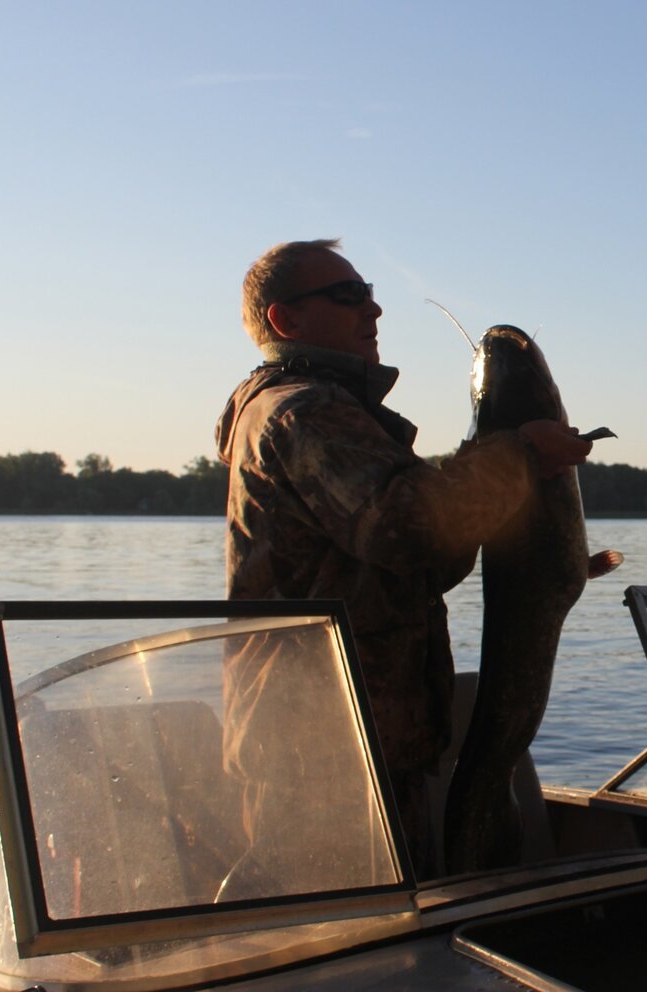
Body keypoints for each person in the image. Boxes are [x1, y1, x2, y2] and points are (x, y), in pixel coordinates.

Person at [215, 238, 590, 876]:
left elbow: (424, 562)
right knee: (345, 949)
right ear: (286, 320)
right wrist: (519, 455)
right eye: (348, 295)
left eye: (369, 292)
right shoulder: (304, 412)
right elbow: (408, 527)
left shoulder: (333, 413)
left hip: (366, 738)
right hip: (322, 748)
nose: (375, 309)